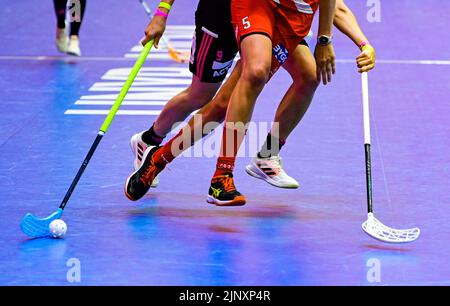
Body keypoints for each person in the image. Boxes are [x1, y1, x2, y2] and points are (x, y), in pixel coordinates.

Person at [125, 0, 376, 205]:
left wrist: (362, 44)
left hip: (283, 18)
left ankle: (258, 158)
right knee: (203, 94)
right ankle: (152, 142)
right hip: (226, 13)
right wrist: (162, 12)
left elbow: (335, 5)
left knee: (303, 76)